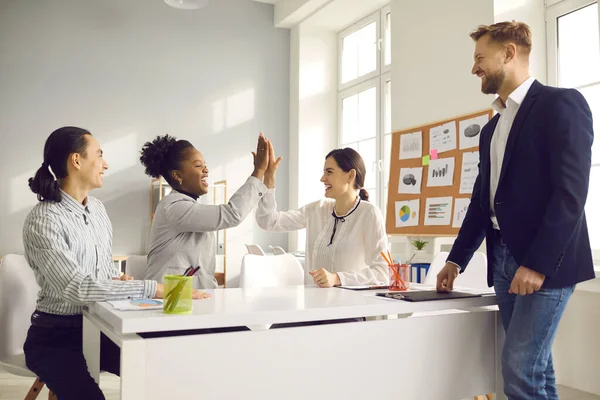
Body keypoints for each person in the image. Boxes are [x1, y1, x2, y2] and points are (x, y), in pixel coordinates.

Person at [435, 22, 594, 400]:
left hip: (544, 262)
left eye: (479, 58)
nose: (474, 68)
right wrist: (456, 260)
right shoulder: (491, 129)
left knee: (520, 368)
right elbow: (482, 202)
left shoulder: (561, 104)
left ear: (508, 53)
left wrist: (537, 263)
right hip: (503, 260)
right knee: (536, 368)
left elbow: (570, 193)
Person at [22, 127, 210, 400]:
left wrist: (117, 279)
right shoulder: (43, 219)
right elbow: (76, 287)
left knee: (165, 372)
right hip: (55, 337)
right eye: (99, 155)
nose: (105, 163)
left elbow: (103, 271)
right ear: (76, 160)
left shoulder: (97, 210)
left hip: (100, 327)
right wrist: (152, 289)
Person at [141, 132, 270, 288]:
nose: (206, 170)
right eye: (198, 165)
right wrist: (259, 171)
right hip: (168, 300)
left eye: (205, 165)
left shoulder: (187, 207)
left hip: (188, 298)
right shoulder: (174, 207)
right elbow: (232, 214)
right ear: (177, 175)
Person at [255, 143, 389, 287]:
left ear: (350, 175)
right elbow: (268, 221)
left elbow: (383, 272)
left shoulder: (369, 214)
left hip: (349, 306)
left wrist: (337, 278)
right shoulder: (317, 210)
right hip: (313, 305)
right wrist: (268, 177)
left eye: (329, 172)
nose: (322, 178)